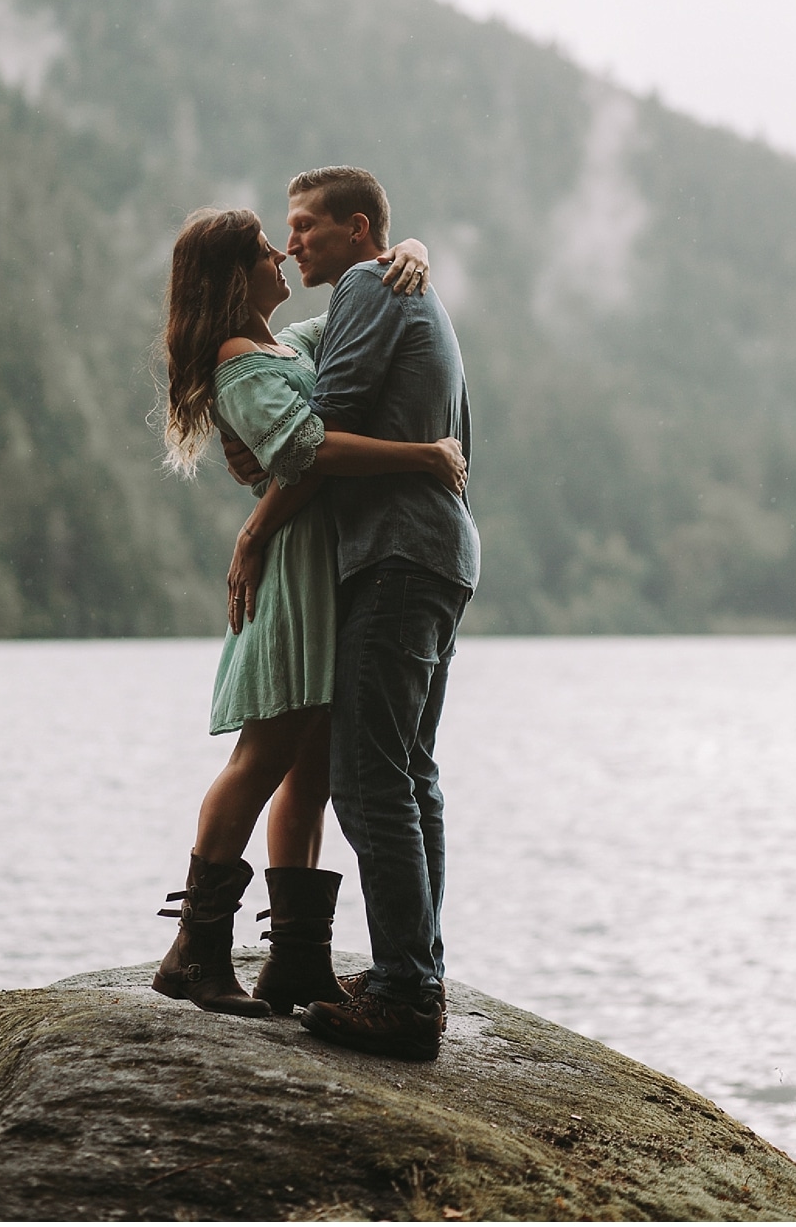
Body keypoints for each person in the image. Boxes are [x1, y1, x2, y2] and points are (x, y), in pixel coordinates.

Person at [152, 208, 465, 1018]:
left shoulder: (286, 345)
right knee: (265, 757)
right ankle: (197, 951)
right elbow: (306, 448)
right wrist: (423, 456)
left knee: (315, 770)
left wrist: (414, 250)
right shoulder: (237, 362)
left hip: (328, 566)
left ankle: (295, 958)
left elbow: (367, 306)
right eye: (264, 248)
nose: (280, 253)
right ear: (233, 275)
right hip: (293, 569)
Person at [225, 166, 478, 1062]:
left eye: (305, 228)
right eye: (287, 232)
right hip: (440, 553)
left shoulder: (373, 285)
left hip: (397, 556)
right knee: (409, 772)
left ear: (356, 227)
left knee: (369, 778)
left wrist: (256, 532)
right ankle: (417, 972)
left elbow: (319, 436)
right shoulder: (403, 288)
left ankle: (408, 995)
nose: (293, 244)